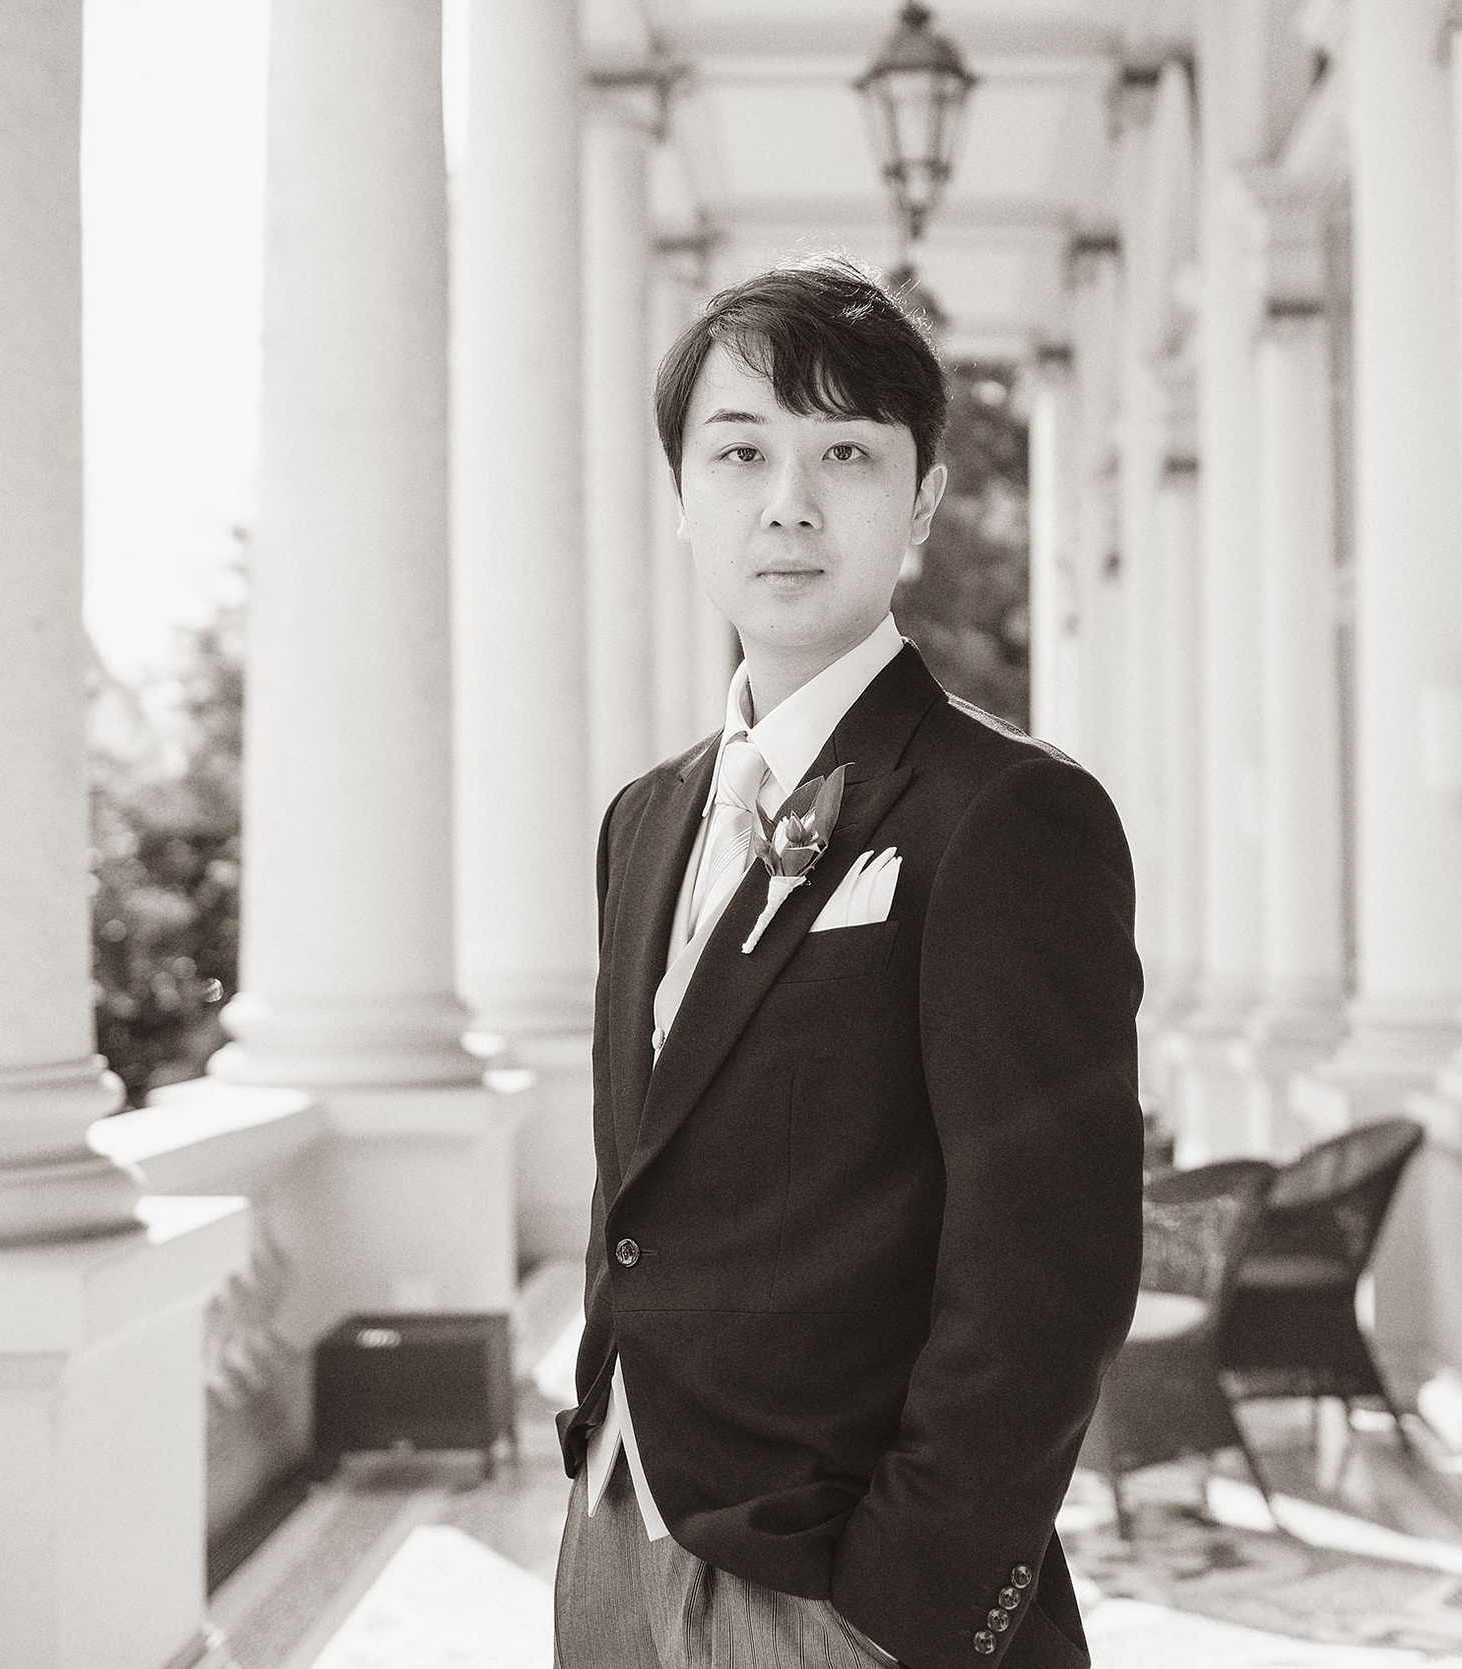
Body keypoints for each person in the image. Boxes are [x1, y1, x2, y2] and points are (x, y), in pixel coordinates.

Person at [553, 254, 1143, 1669]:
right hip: (613, 1537)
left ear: (924, 499)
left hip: (842, 1589)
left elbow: (1047, 1265)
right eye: (742, 451)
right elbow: (646, 1174)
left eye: (847, 454)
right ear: (683, 491)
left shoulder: (1007, 813)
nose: (789, 502)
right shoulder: (645, 820)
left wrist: (905, 1600)